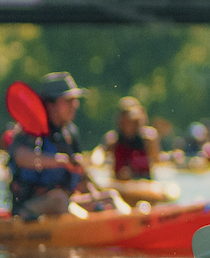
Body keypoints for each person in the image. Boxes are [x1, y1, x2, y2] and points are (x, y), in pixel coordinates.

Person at [7, 72, 125, 220]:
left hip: (66, 204)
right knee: (59, 199)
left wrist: (96, 199)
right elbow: (21, 158)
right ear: (50, 104)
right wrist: (60, 161)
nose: (74, 105)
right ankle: (89, 226)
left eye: (75, 100)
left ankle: (127, 222)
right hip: (28, 208)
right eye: (67, 101)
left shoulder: (70, 133)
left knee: (110, 197)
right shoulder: (30, 132)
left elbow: (80, 180)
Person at [101, 96, 161, 180]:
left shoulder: (149, 139)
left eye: (132, 121)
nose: (128, 124)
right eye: (125, 120)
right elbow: (99, 157)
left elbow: (157, 161)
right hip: (120, 184)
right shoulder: (112, 140)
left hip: (144, 183)